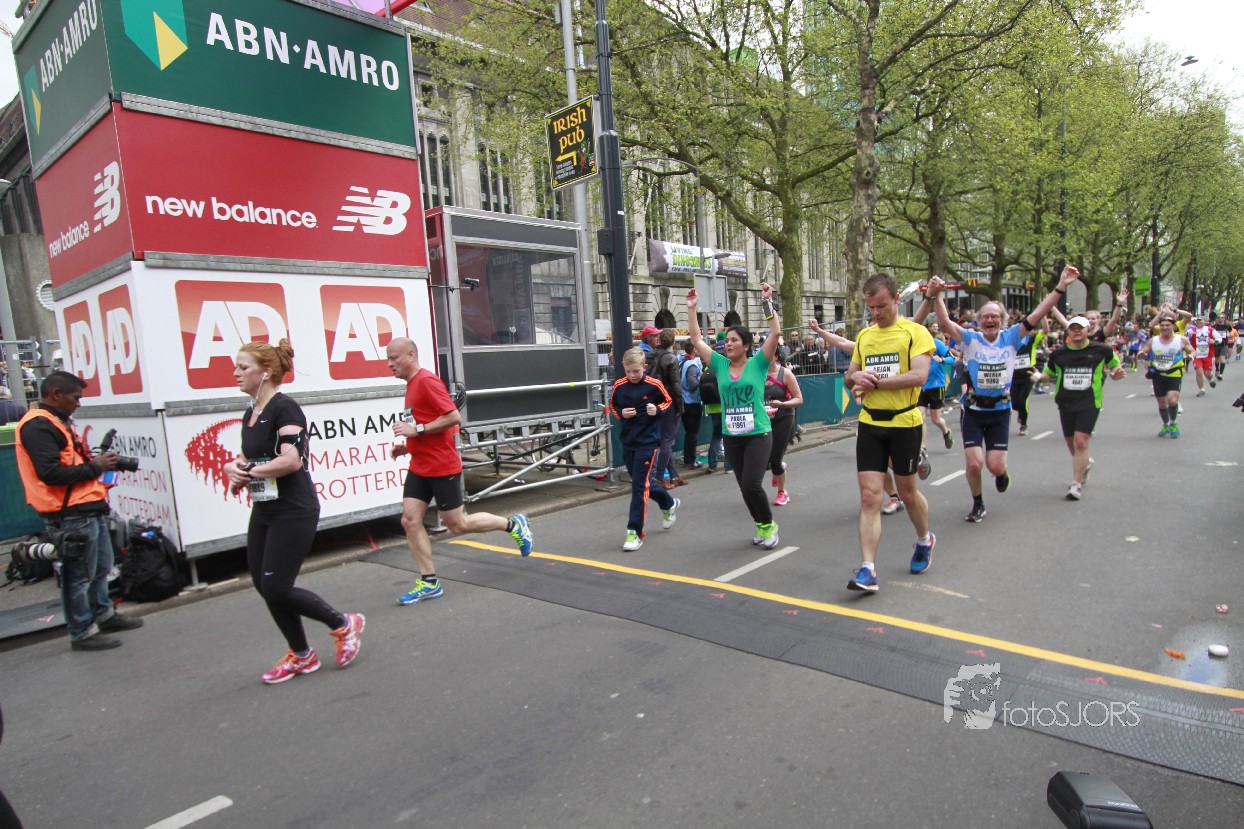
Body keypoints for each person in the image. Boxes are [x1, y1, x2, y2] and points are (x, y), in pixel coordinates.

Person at [222, 340, 363, 684]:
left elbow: (291, 460)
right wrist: (234, 469)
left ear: (265, 372)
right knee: (264, 584)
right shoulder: (251, 412)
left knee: (277, 587)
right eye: (236, 366)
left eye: (243, 367)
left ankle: (343, 624)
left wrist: (250, 473)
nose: (236, 373)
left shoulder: (285, 408)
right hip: (266, 509)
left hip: (295, 509)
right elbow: (249, 458)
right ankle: (302, 655)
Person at [385, 338, 532, 606]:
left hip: (442, 466)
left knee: (457, 524)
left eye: (394, 358)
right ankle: (429, 582)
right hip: (420, 465)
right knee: (409, 520)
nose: (389, 364)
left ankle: (513, 525)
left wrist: (416, 431)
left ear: (410, 354)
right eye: (388, 359)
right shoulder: (411, 385)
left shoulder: (426, 381)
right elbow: (425, 423)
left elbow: (453, 417)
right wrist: (408, 446)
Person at [926, 267, 1078, 523]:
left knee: (995, 465)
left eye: (994, 316)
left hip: (999, 411)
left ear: (1002, 320)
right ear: (978, 320)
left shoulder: (1012, 336)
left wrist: (1061, 286)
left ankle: (1002, 473)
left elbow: (1038, 312)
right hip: (973, 410)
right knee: (974, 463)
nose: (990, 320)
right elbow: (944, 324)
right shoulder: (970, 338)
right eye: (985, 316)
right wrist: (938, 295)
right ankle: (978, 502)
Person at [14, 371, 143, 651]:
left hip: (85, 507)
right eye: (75, 398)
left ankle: (104, 615)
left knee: (101, 569)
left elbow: (68, 465)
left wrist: (96, 466)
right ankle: (82, 632)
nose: (78, 404)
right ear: (56, 395)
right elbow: (50, 473)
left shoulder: (57, 421)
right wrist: (97, 466)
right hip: (69, 512)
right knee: (78, 576)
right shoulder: (38, 426)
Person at [843, 273, 935, 592]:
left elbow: (919, 376)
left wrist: (876, 383)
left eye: (881, 306)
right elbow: (849, 377)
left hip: (904, 423)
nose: (876, 313)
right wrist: (857, 379)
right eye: (871, 307)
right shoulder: (865, 336)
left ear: (897, 299)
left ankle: (924, 539)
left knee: (908, 494)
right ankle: (868, 569)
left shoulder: (915, 332)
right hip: (870, 423)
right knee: (870, 496)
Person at [687, 281, 782, 548]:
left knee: (752, 485)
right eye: (726, 341)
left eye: (734, 340)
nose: (728, 344)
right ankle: (761, 524)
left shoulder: (758, 363)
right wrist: (692, 309)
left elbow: (775, 332)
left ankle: (769, 525)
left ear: (746, 345)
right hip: (732, 436)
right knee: (744, 488)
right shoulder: (719, 365)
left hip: (758, 434)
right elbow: (696, 340)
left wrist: (767, 302)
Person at [1037, 317, 1126, 499]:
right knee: (1071, 443)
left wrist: (1116, 374)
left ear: (1088, 330)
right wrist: (1038, 377)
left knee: (1081, 441)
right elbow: (1049, 374)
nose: (1076, 331)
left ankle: (1076, 484)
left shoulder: (1101, 350)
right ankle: (1084, 464)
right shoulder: (1059, 354)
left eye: (1080, 328)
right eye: (1073, 328)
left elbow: (1115, 367)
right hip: (1066, 401)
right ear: (1068, 331)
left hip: (1089, 401)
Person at [609, 348, 679, 551]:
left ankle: (634, 532)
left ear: (644, 368)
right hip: (628, 441)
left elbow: (668, 401)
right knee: (643, 483)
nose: (632, 375)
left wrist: (657, 409)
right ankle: (669, 503)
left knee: (639, 487)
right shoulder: (619, 385)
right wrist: (622, 413)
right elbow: (613, 407)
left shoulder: (654, 384)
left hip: (648, 442)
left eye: (636, 371)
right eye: (628, 371)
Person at [1138, 315, 1192, 437]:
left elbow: (1191, 349)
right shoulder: (1154, 340)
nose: (1164, 327)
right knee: (1162, 403)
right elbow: (1144, 350)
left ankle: (1173, 423)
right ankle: (1166, 424)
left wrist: (1191, 354)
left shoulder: (1181, 339)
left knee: (1172, 400)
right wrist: (1141, 354)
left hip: (1174, 372)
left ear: (1173, 326)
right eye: (1162, 325)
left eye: (1168, 325)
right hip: (1158, 373)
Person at [764, 356, 803, 505]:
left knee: (775, 459)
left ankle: (782, 493)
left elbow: (799, 399)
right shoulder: (758, 373)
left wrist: (782, 404)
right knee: (765, 460)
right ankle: (779, 466)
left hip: (784, 418)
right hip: (764, 421)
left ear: (775, 356)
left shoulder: (785, 373)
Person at [650, 328, 687, 486]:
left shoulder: (651, 355)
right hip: (669, 401)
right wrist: (680, 406)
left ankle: (673, 475)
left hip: (654, 402)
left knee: (665, 440)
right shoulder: (671, 358)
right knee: (668, 440)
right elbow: (676, 385)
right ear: (672, 342)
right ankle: (660, 476)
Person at [1011, 320, 1047, 437]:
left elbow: (1046, 330)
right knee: (1014, 403)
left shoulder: (1031, 340)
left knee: (1023, 401)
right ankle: (1020, 413)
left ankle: (1023, 424)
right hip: (1013, 376)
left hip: (1028, 376)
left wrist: (1043, 316)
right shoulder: (1010, 341)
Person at [678, 340, 703, 468]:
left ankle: (688, 458)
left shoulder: (682, 361)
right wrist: (701, 378)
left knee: (689, 432)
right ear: (694, 349)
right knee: (692, 433)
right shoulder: (692, 364)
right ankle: (690, 460)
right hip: (692, 402)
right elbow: (692, 384)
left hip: (684, 401)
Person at [1185, 316, 1220, 396]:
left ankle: (1210, 379)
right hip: (1197, 355)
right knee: (1199, 372)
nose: (1199, 323)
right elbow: (1184, 337)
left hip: (1208, 355)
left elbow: (1219, 338)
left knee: (1207, 373)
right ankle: (1201, 389)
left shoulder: (1211, 330)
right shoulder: (1192, 331)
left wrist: (1214, 341)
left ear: (1205, 321)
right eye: (1197, 321)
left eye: (1200, 321)